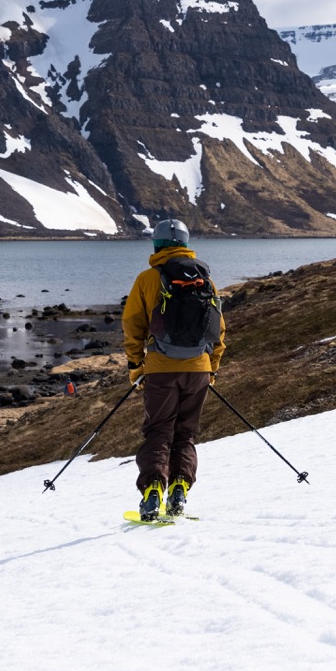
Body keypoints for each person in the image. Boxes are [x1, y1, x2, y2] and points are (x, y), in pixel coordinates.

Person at [122, 219, 225, 520]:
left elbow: (133, 324)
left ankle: (153, 492)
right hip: (199, 370)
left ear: (156, 245)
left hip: (160, 369)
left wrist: (135, 365)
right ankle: (180, 488)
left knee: (159, 431)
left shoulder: (148, 279)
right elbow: (218, 329)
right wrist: (212, 368)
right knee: (186, 434)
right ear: (186, 243)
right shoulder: (205, 278)